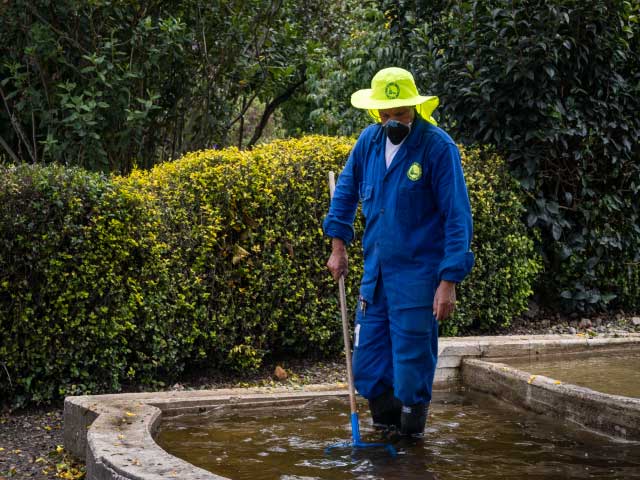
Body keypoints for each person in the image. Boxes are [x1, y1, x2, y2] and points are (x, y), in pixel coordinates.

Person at [323, 67, 474, 436]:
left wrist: (448, 281)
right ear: (376, 113)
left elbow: (457, 216)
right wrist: (338, 247)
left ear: (415, 109)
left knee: (410, 367)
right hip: (375, 279)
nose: (393, 121)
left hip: (417, 280)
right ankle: (382, 444)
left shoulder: (438, 148)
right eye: (386, 114)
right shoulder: (368, 143)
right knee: (369, 366)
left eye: (401, 113)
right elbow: (343, 195)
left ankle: (410, 449)